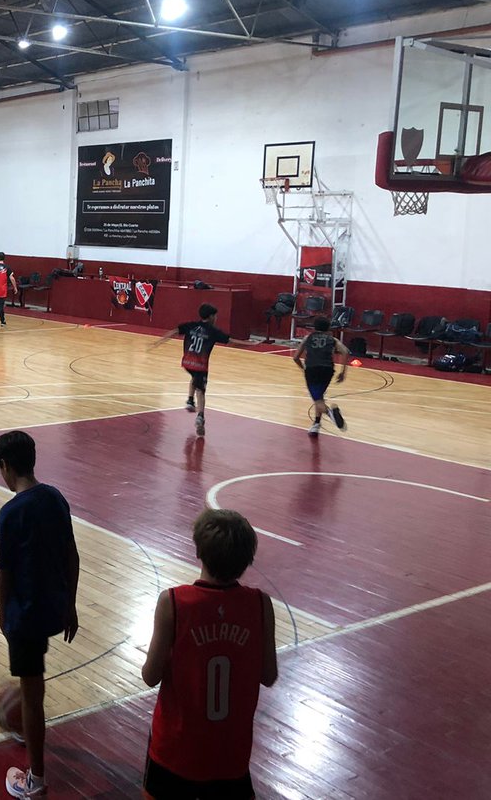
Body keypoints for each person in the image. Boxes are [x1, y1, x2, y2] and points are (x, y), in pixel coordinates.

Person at [141, 509, 278, 800]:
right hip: (231, 753)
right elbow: (269, 675)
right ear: (247, 559)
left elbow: (149, 677)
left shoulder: (174, 602)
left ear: (198, 551)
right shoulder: (260, 604)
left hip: (175, 751)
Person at [0, 430, 79, 800]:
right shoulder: (55, 498)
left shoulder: (10, 513)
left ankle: (36, 779)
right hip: (53, 606)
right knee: (33, 689)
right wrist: (71, 604)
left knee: (31, 693)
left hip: (24, 615)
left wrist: (2, 615)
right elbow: (72, 556)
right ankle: (28, 727)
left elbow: (3, 573)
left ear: (8, 466)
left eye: (0, 470)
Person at [152, 303, 232, 437]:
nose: (217, 318)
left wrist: (159, 341)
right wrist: (251, 344)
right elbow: (231, 340)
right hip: (200, 364)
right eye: (216, 315)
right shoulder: (212, 331)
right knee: (201, 390)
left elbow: (175, 331)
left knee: (195, 378)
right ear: (211, 316)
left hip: (187, 363)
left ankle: (190, 400)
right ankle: (200, 416)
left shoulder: (191, 325)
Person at [294, 317, 349, 435]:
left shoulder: (307, 338)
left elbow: (295, 357)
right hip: (328, 370)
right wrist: (343, 372)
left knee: (317, 400)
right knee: (320, 396)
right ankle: (316, 424)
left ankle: (331, 415)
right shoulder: (332, 339)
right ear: (328, 328)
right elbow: (345, 351)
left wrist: (303, 368)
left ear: (314, 327)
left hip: (312, 370)